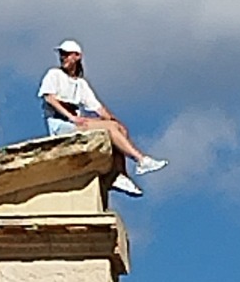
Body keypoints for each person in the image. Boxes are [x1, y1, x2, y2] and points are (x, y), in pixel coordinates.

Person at [38, 39, 168, 197]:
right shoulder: (54, 74)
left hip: (75, 122)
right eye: (62, 54)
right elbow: (49, 98)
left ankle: (121, 174)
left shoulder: (81, 84)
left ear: (77, 56)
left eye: (66, 54)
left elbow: (97, 108)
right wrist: (72, 117)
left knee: (117, 128)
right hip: (61, 125)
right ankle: (140, 160)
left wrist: (113, 120)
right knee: (110, 128)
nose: (63, 57)